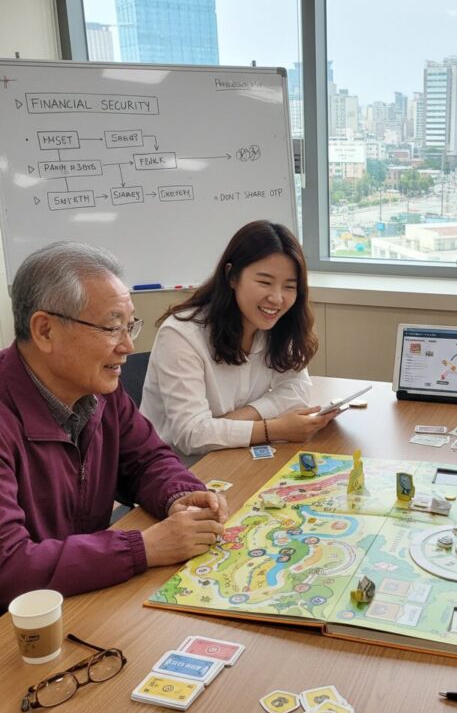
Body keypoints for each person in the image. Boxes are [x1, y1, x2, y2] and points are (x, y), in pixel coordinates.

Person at [0, 242, 232, 611]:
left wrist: (179, 494)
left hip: (82, 599)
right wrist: (144, 547)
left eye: (130, 326)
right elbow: (9, 566)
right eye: (111, 328)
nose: (127, 346)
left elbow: (146, 460)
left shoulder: (99, 390)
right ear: (44, 331)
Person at [141, 221, 337, 460]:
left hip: (235, 454)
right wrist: (273, 428)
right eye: (265, 282)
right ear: (232, 276)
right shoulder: (181, 334)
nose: (276, 298)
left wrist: (239, 418)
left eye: (289, 287)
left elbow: (296, 390)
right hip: (177, 467)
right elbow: (191, 435)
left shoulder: (277, 324)